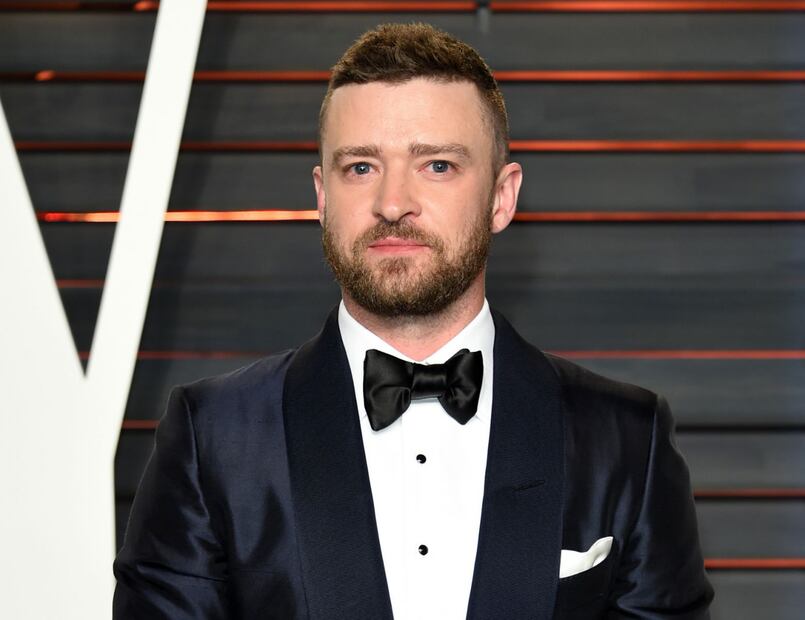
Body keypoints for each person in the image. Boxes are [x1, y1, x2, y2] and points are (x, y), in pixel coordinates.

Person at [113, 23, 714, 619]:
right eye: (361, 167)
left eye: (437, 166)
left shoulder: (625, 439)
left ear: (501, 197)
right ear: (322, 197)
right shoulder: (212, 439)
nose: (393, 203)